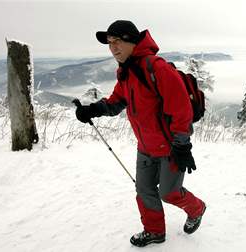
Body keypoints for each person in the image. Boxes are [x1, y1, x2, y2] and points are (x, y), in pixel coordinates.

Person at [74, 20, 206, 247]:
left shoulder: (157, 68)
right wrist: (93, 110)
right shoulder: (126, 73)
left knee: (169, 193)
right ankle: (154, 231)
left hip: (170, 147)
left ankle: (197, 208)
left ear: (132, 41)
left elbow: (181, 109)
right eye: (109, 43)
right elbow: (116, 102)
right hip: (145, 147)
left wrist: (182, 144)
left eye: (118, 41)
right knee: (144, 190)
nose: (113, 47)